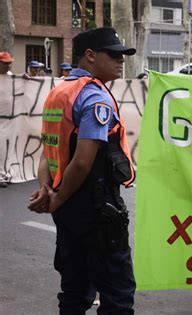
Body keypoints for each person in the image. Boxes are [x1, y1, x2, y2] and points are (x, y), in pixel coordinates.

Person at [27, 27, 137, 313]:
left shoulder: (58, 92)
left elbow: (48, 151)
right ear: (90, 56)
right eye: (113, 54)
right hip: (97, 208)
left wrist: (48, 191)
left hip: (68, 207)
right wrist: (56, 199)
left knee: (74, 291)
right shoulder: (94, 98)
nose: (121, 60)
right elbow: (82, 161)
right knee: (118, 296)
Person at [0, 52, 14, 188]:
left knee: (8, 148)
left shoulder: (11, 78)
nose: (8, 65)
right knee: (1, 148)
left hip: (10, 119)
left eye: (9, 63)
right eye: (5, 63)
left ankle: (6, 173)